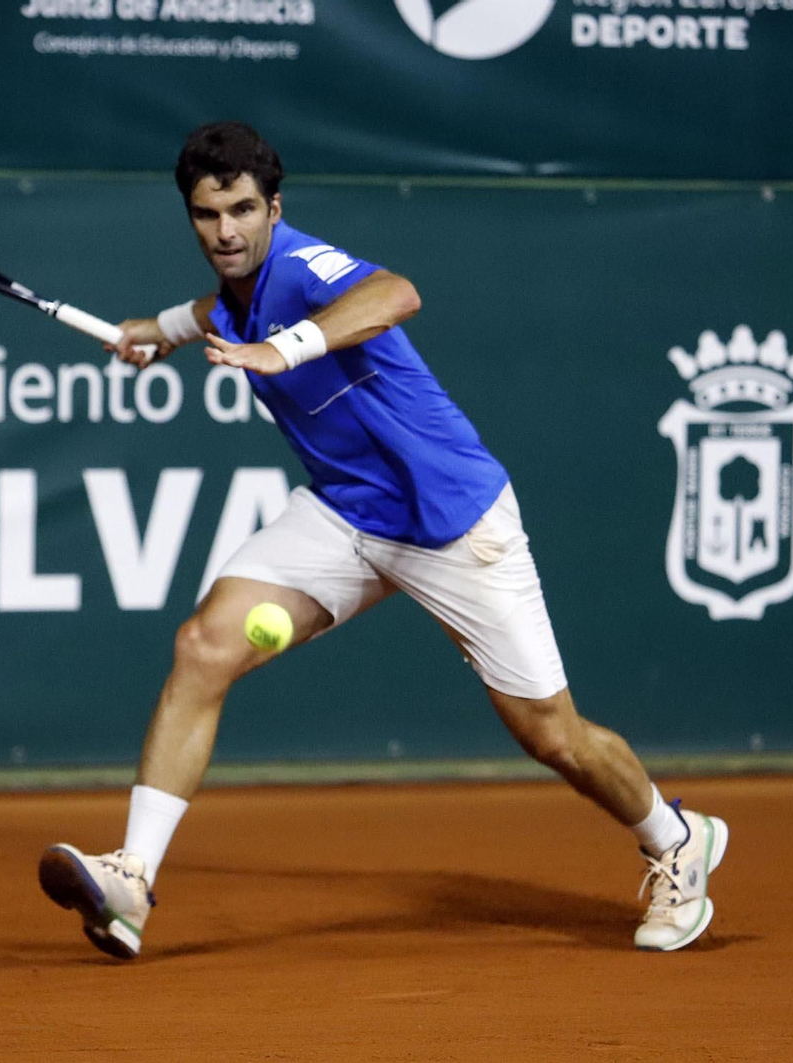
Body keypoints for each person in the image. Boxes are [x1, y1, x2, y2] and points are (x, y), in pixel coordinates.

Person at [37, 121, 727, 958]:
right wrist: (158, 328)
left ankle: (675, 835)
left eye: (245, 211)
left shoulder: (298, 265)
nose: (227, 231)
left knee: (552, 734)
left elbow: (397, 293)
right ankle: (132, 880)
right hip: (347, 513)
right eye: (208, 214)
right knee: (205, 644)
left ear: (274, 207)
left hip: (452, 520)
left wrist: (282, 351)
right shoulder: (236, 288)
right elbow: (208, 309)